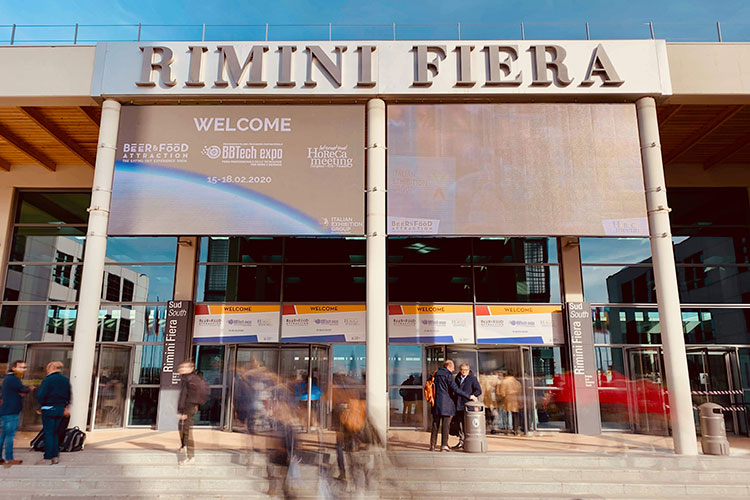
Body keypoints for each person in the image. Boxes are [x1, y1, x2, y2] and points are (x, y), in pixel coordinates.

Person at [429, 359, 476, 452]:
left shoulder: (436, 374)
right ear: (448, 366)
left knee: (435, 424)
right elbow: (456, 389)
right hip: (446, 403)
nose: (454, 369)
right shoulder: (448, 375)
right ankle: (444, 445)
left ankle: (432, 445)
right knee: (445, 425)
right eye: (453, 367)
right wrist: (469, 396)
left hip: (436, 403)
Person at [35, 361, 71, 465]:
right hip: (60, 408)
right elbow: (68, 395)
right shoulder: (65, 380)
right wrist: (64, 406)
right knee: (55, 433)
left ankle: (47, 457)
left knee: (49, 433)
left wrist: (40, 405)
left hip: (48, 408)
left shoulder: (48, 380)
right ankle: (55, 456)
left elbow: (41, 394)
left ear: (51, 368)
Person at [0, 360, 30, 466]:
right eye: (21, 367)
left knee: (3, 434)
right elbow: (23, 389)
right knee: (10, 435)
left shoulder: (7, 379)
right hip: (11, 411)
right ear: (14, 368)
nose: (24, 370)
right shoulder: (13, 379)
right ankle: (9, 458)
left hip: (5, 410)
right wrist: (29, 388)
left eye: (25, 367)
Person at [177, 361, 207, 464]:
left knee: (187, 431)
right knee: (183, 428)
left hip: (188, 407)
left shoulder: (191, 379)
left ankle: (190, 456)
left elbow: (190, 396)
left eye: (183, 367)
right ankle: (184, 447)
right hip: (188, 407)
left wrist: (185, 410)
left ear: (191, 368)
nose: (180, 369)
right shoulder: (187, 379)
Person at [452, 363, 482, 449]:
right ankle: (461, 441)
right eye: (462, 370)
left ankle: (468, 442)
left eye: (465, 370)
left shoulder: (472, 379)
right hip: (458, 404)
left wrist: (472, 396)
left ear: (468, 371)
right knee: (460, 424)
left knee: (467, 424)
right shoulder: (457, 378)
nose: (463, 372)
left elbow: (478, 390)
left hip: (468, 405)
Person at [498, 369, 523, 435]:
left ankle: (508, 428)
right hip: (516, 399)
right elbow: (520, 392)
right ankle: (515, 428)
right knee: (515, 414)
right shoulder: (517, 382)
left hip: (507, 399)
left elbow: (502, 393)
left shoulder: (504, 382)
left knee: (507, 414)